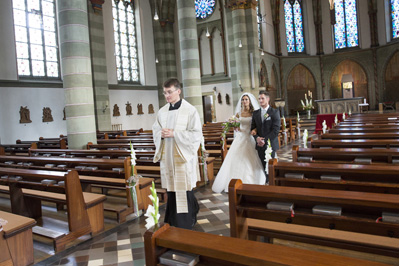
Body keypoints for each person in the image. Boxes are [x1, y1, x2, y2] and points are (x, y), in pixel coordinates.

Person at [152, 78, 202, 230]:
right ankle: (172, 219)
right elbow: (155, 129)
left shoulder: (190, 110)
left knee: (183, 188)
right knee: (171, 189)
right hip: (168, 157)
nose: (167, 96)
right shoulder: (162, 112)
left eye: (169, 92)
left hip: (182, 157)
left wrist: (175, 133)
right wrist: (160, 133)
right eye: (165, 93)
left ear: (178, 91)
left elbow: (196, 134)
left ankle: (186, 220)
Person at [212, 93, 266, 193]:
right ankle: (234, 182)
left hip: (249, 137)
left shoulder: (254, 113)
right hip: (240, 138)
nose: (244, 101)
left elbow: (257, 125)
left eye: (246, 100)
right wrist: (234, 126)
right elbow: (236, 124)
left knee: (249, 159)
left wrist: (254, 130)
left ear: (249, 101)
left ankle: (251, 180)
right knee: (236, 158)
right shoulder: (239, 113)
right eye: (243, 100)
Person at [250, 91, 280, 183]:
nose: (260, 100)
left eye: (262, 98)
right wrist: (257, 138)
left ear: (268, 99)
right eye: (259, 98)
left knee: (270, 166)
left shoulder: (274, 112)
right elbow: (253, 129)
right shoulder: (256, 113)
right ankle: (265, 185)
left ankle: (271, 184)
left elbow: (275, 130)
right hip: (259, 144)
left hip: (270, 144)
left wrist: (264, 139)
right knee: (262, 166)